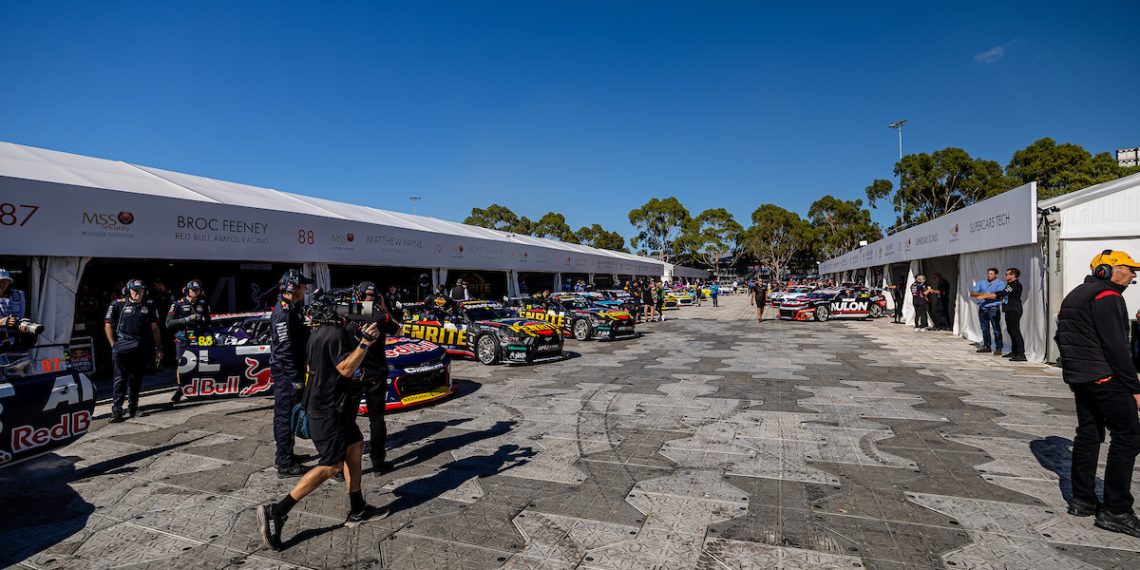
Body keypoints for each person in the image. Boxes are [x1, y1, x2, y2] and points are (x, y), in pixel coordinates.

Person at [257, 306, 382, 550]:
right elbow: (345, 368)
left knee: (355, 446)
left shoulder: (320, 333)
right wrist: (365, 343)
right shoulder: (334, 335)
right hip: (327, 413)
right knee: (331, 465)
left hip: (330, 407)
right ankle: (277, 511)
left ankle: (357, 508)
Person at [1055, 250, 1140, 537]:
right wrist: (1135, 388)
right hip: (1105, 377)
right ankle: (1116, 510)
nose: (1133, 275)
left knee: (1089, 434)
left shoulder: (1076, 294)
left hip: (1080, 378)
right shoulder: (1108, 296)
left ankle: (1082, 500)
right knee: (1129, 437)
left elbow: (1062, 338)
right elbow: (1117, 347)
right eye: (1129, 269)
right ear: (1108, 270)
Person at [352, 281, 401, 476]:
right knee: (377, 419)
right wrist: (385, 309)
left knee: (346, 419)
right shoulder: (380, 316)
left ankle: (340, 466)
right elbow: (398, 330)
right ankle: (378, 464)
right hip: (375, 373)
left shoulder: (349, 313)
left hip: (353, 372)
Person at [270, 269, 313, 478]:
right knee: (284, 416)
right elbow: (284, 349)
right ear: (293, 286)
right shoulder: (283, 312)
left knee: (289, 414)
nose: (306, 289)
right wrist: (295, 378)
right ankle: (284, 462)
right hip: (285, 373)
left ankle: (287, 454)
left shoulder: (294, 308)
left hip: (292, 369)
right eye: (304, 285)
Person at [104, 279, 162, 422]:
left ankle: (133, 409)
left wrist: (158, 347)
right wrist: (113, 345)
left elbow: (155, 328)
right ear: (128, 290)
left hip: (142, 346)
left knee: (136, 379)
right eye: (135, 290)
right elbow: (107, 325)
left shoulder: (149, 304)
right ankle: (117, 411)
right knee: (120, 379)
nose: (138, 293)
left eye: (140, 290)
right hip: (123, 345)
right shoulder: (118, 304)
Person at [165, 280, 213, 404]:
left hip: (199, 336)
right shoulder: (178, 304)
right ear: (187, 290)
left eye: (197, 290)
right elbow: (168, 323)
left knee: (202, 361)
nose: (195, 293)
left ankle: (201, 386)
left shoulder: (203, 302)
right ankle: (180, 388)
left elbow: (208, 320)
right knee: (182, 363)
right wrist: (187, 319)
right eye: (193, 290)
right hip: (183, 337)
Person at [978, 268, 1025, 361]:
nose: (1005, 276)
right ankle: (1014, 351)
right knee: (1010, 331)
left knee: (1015, 331)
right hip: (1008, 309)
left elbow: (1002, 293)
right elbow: (1003, 295)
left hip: (1014, 310)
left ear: (1013, 275)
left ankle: (1021, 354)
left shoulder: (1015, 285)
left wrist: (986, 296)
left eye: (1007, 274)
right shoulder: (1009, 284)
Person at [970, 268, 1006, 355]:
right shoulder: (982, 283)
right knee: (984, 329)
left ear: (996, 275)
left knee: (996, 329)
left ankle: (998, 348)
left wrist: (985, 296)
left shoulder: (1001, 284)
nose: (989, 275)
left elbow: (998, 295)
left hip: (993, 308)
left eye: (991, 274)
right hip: (983, 308)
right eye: (988, 274)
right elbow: (973, 293)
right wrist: (983, 294)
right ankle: (987, 346)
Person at [0, 268, 27, 351]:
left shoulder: (18, 295)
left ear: (8, 283)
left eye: (4, 281)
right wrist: (2, 322)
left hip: (13, 341)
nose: (1, 284)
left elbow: (21, 315)